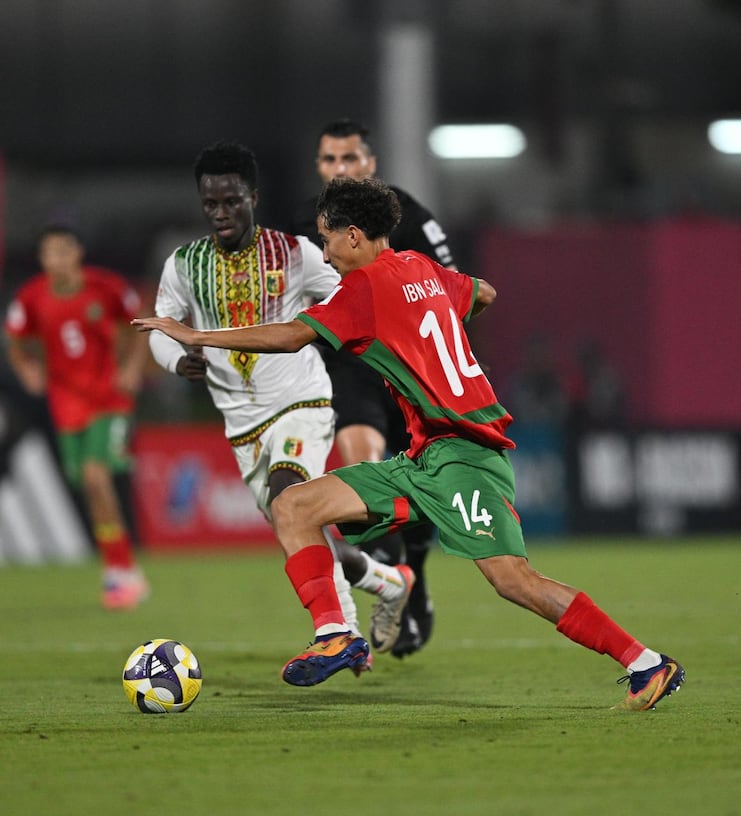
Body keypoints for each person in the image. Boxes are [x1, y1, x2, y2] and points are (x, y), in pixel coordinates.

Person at [134, 176, 686, 711]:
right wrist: (446, 346)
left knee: (513, 580)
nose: (324, 254)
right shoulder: (420, 267)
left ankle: (645, 662)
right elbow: (484, 293)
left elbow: (291, 334)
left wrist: (197, 334)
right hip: (423, 460)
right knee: (294, 506)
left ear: (353, 235)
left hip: (465, 457)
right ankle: (335, 633)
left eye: (327, 239)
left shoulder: (363, 288)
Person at [146, 141, 413, 662]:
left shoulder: (296, 253)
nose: (221, 213)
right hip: (240, 424)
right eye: (211, 204)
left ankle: (338, 632)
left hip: (301, 403)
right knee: (301, 529)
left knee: (288, 492)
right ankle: (387, 581)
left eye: (231, 201)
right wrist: (177, 361)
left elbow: (357, 289)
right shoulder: (183, 265)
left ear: (253, 196)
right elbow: (161, 328)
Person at [292, 118, 452, 657]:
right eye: (329, 161)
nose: (339, 169)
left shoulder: (405, 216)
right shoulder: (312, 225)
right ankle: (394, 585)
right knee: (367, 466)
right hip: (355, 369)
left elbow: (453, 292)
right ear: (320, 167)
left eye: (348, 159)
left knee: (418, 494)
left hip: (410, 372)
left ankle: (416, 580)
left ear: (370, 164)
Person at [4, 225, 149, 609]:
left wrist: (133, 367)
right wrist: (26, 369)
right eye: (50, 253)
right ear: (43, 259)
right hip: (66, 405)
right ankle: (118, 568)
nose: (57, 260)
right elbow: (15, 339)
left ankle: (122, 571)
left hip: (108, 398)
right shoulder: (32, 297)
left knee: (95, 476)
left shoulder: (105, 287)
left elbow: (139, 323)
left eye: (63, 251)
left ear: (77, 253)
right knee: (85, 483)